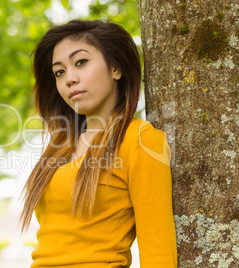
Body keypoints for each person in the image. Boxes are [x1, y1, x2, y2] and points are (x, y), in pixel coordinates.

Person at [20, 19, 177, 268]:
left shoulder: (141, 140)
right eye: (59, 72)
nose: (69, 79)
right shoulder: (61, 144)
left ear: (115, 68)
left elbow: (158, 251)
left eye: (80, 62)